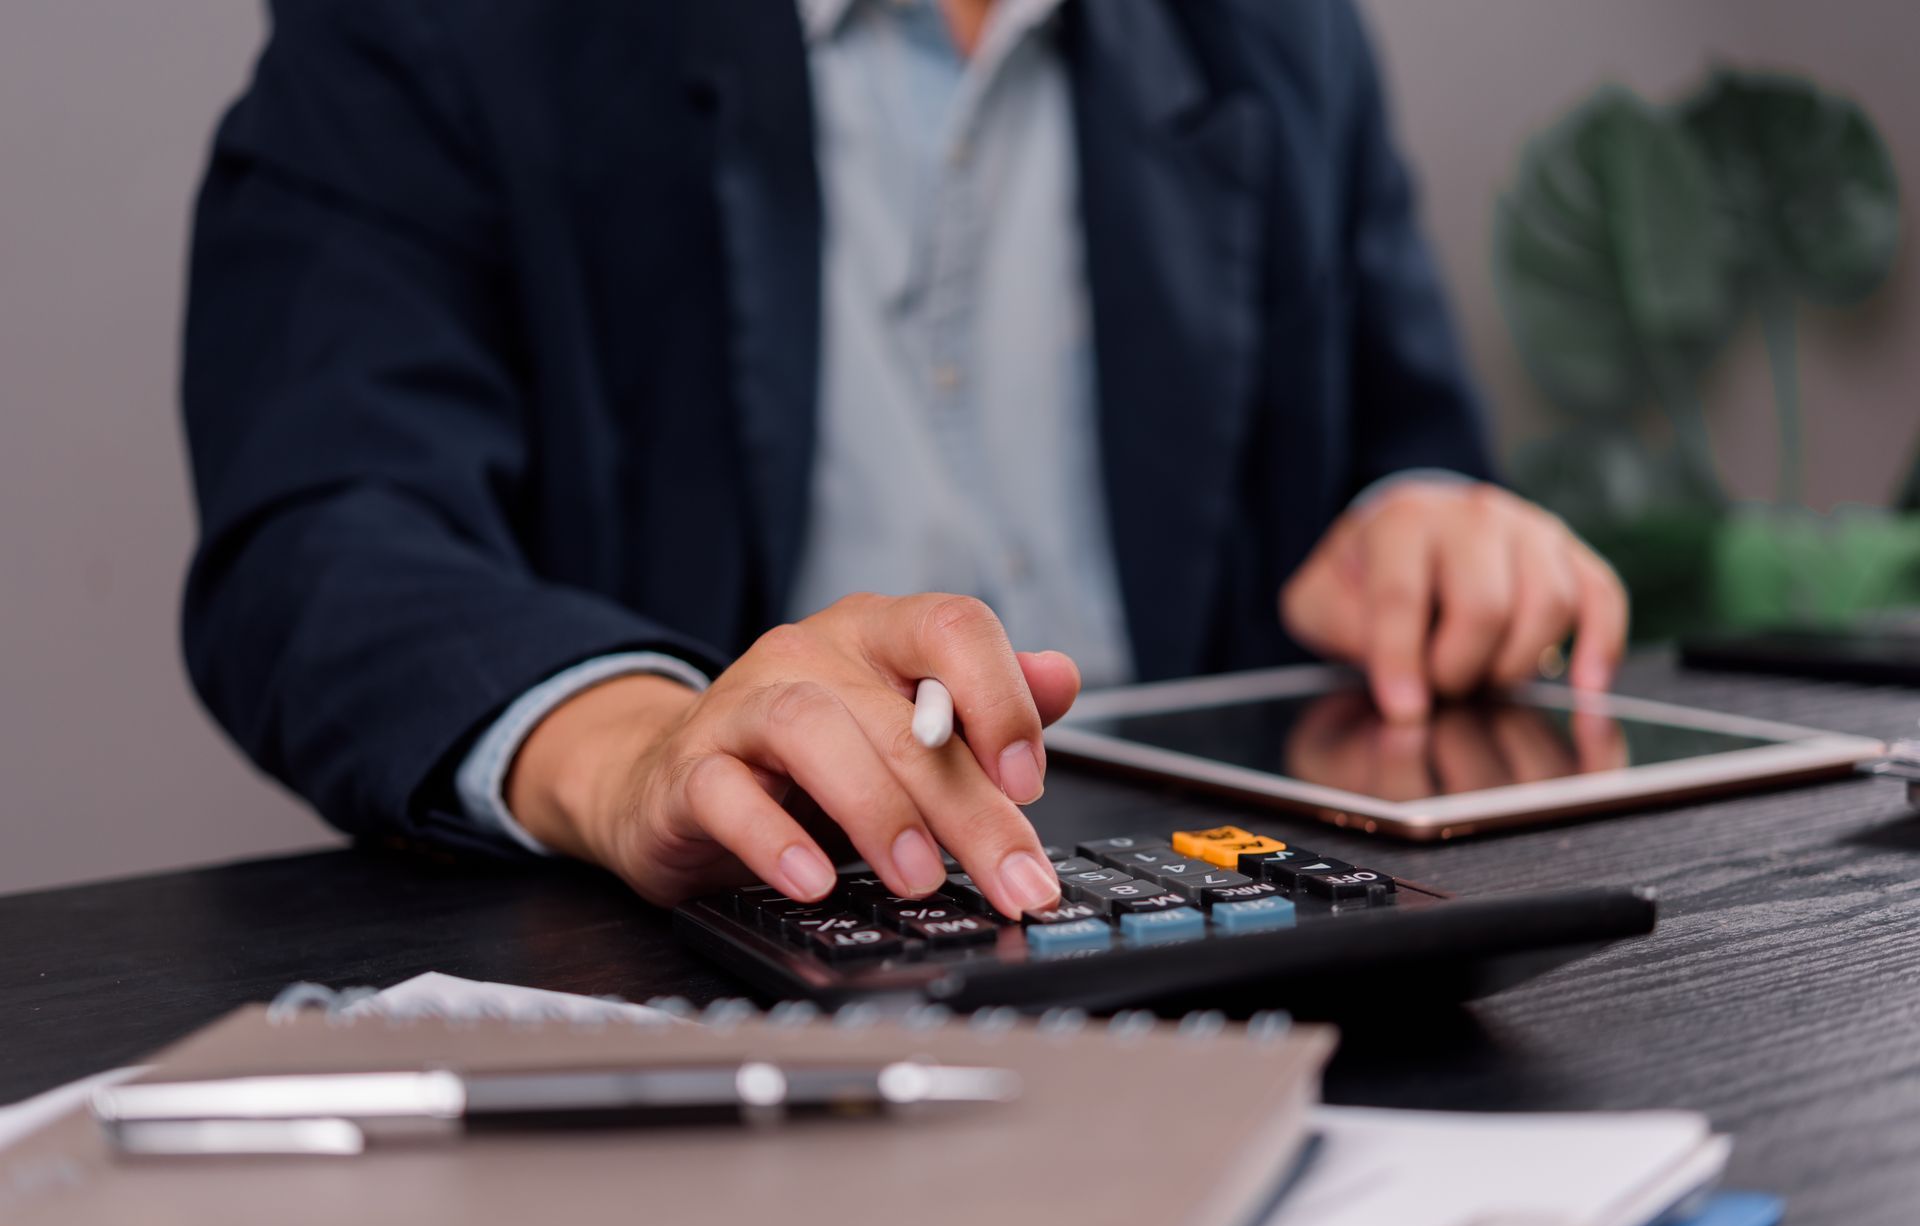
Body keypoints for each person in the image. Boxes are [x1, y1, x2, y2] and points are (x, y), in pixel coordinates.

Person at [180, 0, 1627, 922]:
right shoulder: (439, 33)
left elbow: (1404, 434)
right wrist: (634, 745)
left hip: (1220, 929)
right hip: (727, 971)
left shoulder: (1279, 32)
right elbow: (321, 528)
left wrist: (1416, 521)